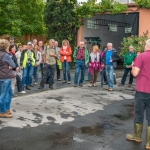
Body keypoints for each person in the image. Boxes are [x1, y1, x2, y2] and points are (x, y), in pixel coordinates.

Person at [126, 39, 150, 150]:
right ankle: (148, 143)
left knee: (139, 113)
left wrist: (132, 67)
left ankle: (137, 136)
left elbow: (135, 73)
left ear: (147, 45)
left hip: (142, 90)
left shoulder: (142, 56)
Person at [0, 39, 16, 118]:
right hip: (6, 76)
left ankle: (6, 109)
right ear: (6, 46)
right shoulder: (6, 55)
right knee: (5, 94)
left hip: (1, 76)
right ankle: (3, 111)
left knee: (5, 93)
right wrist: (8, 65)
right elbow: (13, 65)